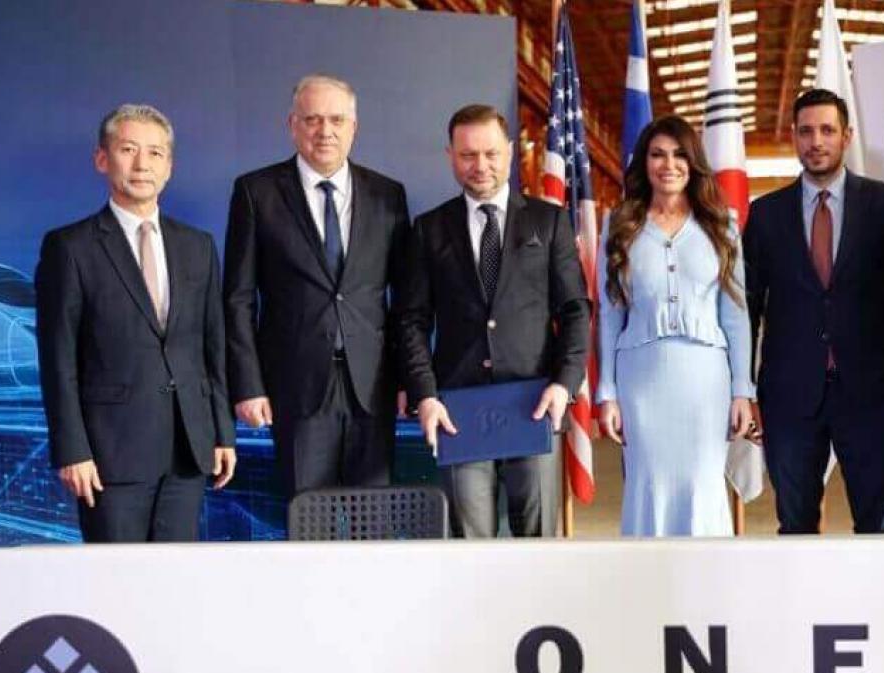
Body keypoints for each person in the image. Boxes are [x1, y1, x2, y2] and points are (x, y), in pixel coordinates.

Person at [36, 104, 236, 542]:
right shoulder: (70, 247)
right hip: (110, 454)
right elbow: (57, 359)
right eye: (128, 150)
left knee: (176, 577)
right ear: (102, 159)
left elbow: (213, 347)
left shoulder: (198, 246)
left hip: (188, 450)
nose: (142, 164)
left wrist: (223, 433)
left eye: (155, 153)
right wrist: (72, 450)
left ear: (169, 167)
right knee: (115, 580)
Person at [396, 104, 589, 538]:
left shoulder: (549, 221)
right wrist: (425, 395)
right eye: (467, 155)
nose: (480, 165)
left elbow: (575, 309)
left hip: (535, 404)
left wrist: (564, 384)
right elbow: (411, 321)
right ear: (450, 156)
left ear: (510, 152)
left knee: (537, 541)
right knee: (470, 545)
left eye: (490, 153)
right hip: (458, 411)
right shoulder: (428, 229)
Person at [223, 75, 411, 497]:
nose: (325, 131)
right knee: (307, 517)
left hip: (372, 387)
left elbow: (405, 300)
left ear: (354, 128)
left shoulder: (388, 195)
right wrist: (249, 385)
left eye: (336, 120)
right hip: (295, 385)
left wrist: (407, 380)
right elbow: (238, 299)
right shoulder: (256, 192)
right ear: (292, 125)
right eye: (312, 119)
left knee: (372, 518)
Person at [743, 89, 884, 535]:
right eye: (807, 131)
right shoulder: (765, 214)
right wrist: (744, 388)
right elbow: (747, 307)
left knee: (878, 527)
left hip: (872, 393)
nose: (817, 141)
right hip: (789, 396)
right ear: (794, 137)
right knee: (795, 526)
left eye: (828, 130)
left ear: (847, 136)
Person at [595, 116, 754, 537]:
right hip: (640, 383)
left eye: (680, 154)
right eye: (658, 154)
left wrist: (742, 389)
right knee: (647, 484)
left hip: (706, 384)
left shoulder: (722, 224)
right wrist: (607, 393)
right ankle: (648, 575)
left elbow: (735, 314)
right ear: (644, 163)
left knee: (703, 483)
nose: (669, 164)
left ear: (694, 162)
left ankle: (707, 574)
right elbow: (609, 316)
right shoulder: (618, 224)